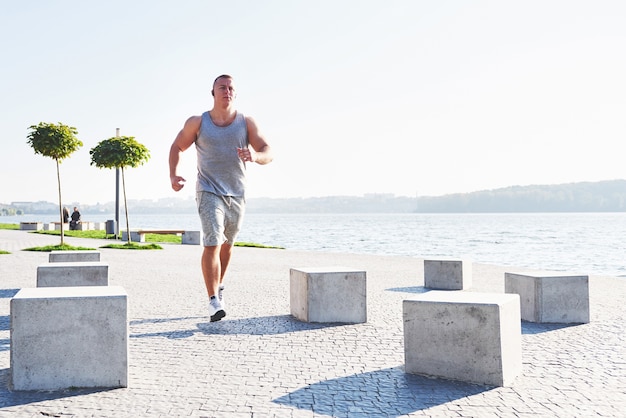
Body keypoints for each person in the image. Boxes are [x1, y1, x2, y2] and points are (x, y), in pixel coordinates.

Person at [168, 74, 273, 322]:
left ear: (235, 94)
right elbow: (176, 147)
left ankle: (219, 285)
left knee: (227, 244)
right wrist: (173, 175)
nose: (227, 91)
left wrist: (254, 156)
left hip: (237, 192)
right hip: (208, 189)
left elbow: (268, 151)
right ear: (213, 93)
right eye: (222, 87)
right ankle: (213, 300)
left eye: (231, 88)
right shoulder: (198, 122)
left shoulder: (246, 122)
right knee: (213, 240)